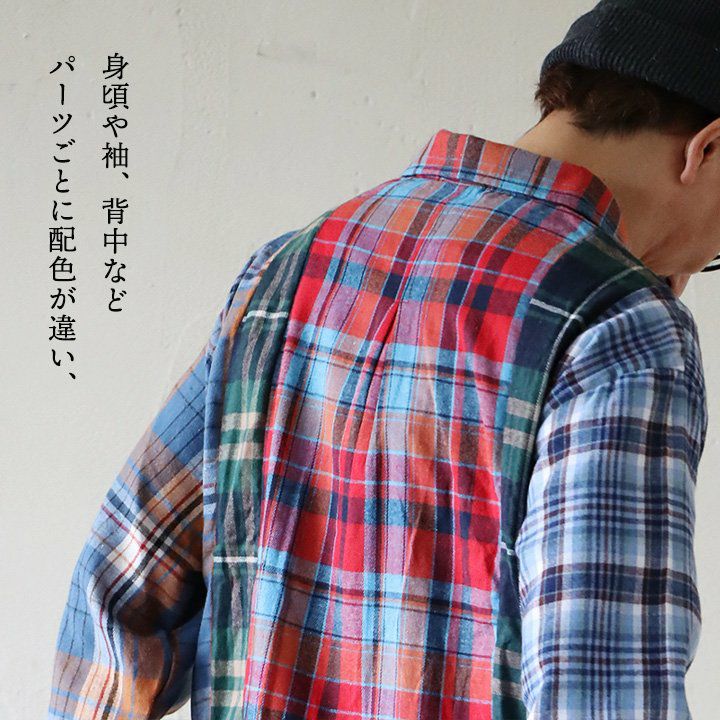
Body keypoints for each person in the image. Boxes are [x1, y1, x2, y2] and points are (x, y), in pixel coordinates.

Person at [47, 2, 717, 718]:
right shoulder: (622, 326)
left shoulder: (287, 269)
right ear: (706, 150)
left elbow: (121, 582)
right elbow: (604, 690)